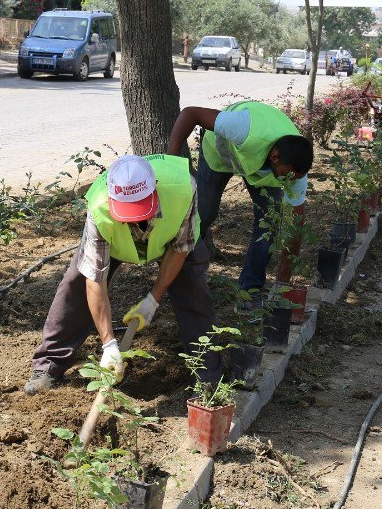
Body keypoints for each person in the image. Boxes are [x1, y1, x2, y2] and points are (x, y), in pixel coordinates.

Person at [24, 154, 219, 394]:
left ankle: (207, 374)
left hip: (173, 238)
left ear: (154, 189)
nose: (136, 220)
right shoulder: (99, 208)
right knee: (75, 287)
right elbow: (95, 280)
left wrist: (153, 299)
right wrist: (109, 344)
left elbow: (180, 250)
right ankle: (49, 364)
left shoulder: (183, 189)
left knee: (193, 289)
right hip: (115, 242)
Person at [166, 101, 314, 301]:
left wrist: (283, 282)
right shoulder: (243, 128)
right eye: (285, 176)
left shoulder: (295, 171)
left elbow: (294, 227)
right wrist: (172, 163)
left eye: (292, 179)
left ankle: (249, 292)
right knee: (204, 214)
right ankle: (176, 275)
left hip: (256, 168)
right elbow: (191, 113)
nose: (288, 183)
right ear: (275, 156)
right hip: (218, 156)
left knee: (269, 224)